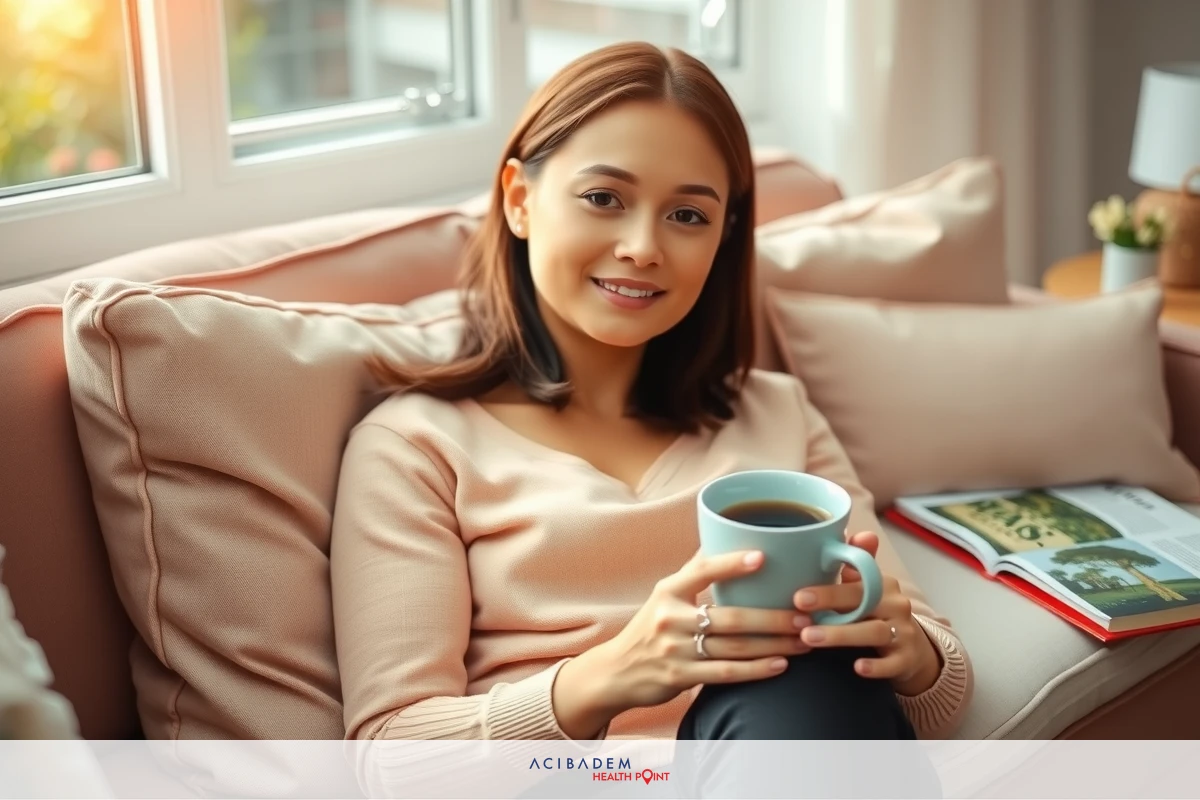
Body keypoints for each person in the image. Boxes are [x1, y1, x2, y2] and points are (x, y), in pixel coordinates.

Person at [329, 41, 972, 798]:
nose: (643, 248)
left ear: (722, 236)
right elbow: (389, 759)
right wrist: (606, 677)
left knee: (813, 674)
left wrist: (904, 648)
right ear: (519, 199)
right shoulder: (416, 447)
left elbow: (941, 690)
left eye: (688, 215)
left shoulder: (775, 413)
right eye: (604, 198)